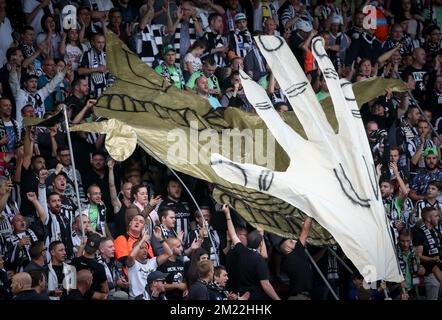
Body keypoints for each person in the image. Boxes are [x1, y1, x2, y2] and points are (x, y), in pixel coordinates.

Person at [222, 204, 280, 300]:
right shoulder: (259, 259)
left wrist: (227, 214)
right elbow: (266, 284)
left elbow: (232, 234)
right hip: (256, 296)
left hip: (240, 294)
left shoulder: (241, 250)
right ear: (260, 245)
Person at [126, 230, 173, 299]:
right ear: (135, 250)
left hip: (151, 296)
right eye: (141, 248)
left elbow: (169, 253)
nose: (145, 250)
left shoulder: (152, 262)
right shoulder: (132, 263)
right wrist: (141, 241)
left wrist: (160, 239)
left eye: (146, 248)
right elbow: (131, 256)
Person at [413, 207, 442, 300]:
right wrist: (433, 259)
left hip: (439, 271)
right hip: (430, 274)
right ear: (429, 219)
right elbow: (418, 256)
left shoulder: (435, 231)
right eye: (436, 216)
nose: (438, 218)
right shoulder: (419, 233)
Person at [70, 233, 109, 300]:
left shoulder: (75, 261)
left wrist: (82, 246)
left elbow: (78, 259)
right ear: (98, 248)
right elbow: (105, 289)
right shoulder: (99, 267)